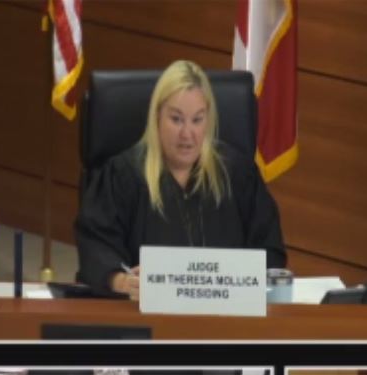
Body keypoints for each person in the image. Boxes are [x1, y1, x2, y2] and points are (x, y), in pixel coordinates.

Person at [75, 60, 287, 299]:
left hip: (225, 314)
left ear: (209, 120)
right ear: (157, 117)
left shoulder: (238, 174)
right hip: (145, 312)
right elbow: (96, 247)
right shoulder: (123, 175)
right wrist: (120, 281)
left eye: (197, 120)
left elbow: (269, 250)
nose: (187, 134)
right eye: (176, 119)